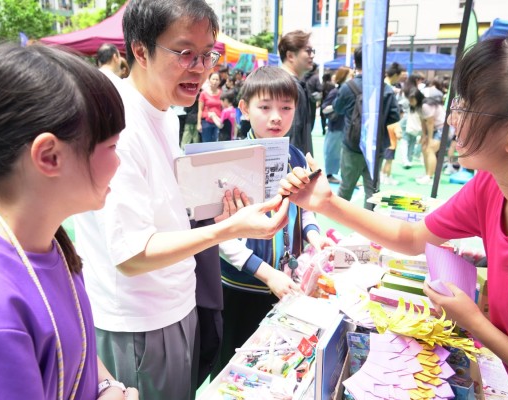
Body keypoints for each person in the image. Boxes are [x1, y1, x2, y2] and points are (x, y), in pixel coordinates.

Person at [279, 27, 508, 398]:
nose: (452, 119)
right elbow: (411, 237)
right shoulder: (489, 186)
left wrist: (474, 322)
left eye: (466, 107)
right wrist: (325, 202)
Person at [73, 1, 290, 399]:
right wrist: (228, 228)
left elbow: (169, 211)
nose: (201, 68)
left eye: (208, 54)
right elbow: (133, 253)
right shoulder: (120, 125)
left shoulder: (166, 114)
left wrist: (217, 211)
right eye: (186, 53)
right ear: (141, 51)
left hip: (176, 303)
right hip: (140, 319)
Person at [0, 45, 138, 400]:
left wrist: (109, 386)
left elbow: (75, 349)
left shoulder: (46, 242)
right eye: (111, 147)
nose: (119, 162)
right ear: (49, 156)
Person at [212, 66, 332, 377]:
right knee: (234, 367)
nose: (276, 117)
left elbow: (305, 208)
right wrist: (265, 273)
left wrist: (314, 235)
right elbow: (220, 235)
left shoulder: (296, 157)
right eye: (265, 107)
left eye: (286, 108)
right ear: (244, 109)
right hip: (241, 286)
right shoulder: (229, 161)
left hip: (285, 283)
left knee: (275, 364)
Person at [332, 47, 400, 209]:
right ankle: (368, 220)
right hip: (376, 147)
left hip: (352, 145)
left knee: (346, 187)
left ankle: (341, 217)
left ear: (355, 62)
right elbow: (394, 116)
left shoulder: (348, 87)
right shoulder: (386, 89)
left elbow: (338, 109)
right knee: (372, 190)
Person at [278, 30, 315, 156]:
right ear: (290, 56)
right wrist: (296, 162)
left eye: (312, 51)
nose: (312, 55)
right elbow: (293, 133)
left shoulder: (283, 82)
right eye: (308, 51)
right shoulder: (290, 86)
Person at [406, 88, 445, 185]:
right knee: (424, 148)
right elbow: (423, 122)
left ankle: (430, 177)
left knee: (430, 149)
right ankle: (427, 174)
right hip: (434, 129)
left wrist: (430, 139)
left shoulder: (425, 106)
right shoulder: (418, 107)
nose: (410, 102)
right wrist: (424, 136)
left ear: (417, 97)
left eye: (412, 99)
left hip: (442, 127)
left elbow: (430, 122)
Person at [321, 66, 351, 185]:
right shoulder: (336, 92)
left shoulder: (345, 91)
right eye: (350, 75)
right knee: (332, 152)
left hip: (344, 126)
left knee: (341, 153)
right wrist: (336, 106)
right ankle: (329, 175)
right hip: (336, 126)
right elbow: (324, 108)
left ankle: (342, 175)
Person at [198, 71, 223, 142]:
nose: (215, 81)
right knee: (206, 143)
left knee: (217, 143)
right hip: (206, 122)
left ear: (219, 82)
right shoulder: (203, 94)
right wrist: (199, 123)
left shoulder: (222, 93)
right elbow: (200, 109)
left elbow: (223, 108)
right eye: (213, 79)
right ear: (209, 80)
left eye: (217, 79)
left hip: (218, 121)